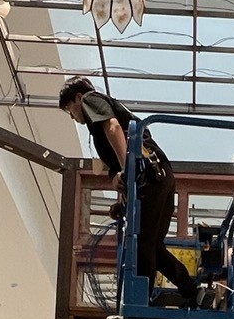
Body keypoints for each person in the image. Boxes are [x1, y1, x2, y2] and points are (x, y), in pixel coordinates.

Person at [59, 78, 198, 304]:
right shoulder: (104, 123)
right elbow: (118, 150)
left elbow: (113, 127)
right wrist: (118, 178)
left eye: (69, 110)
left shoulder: (90, 99)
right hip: (160, 174)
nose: (73, 117)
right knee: (152, 244)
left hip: (148, 174)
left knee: (142, 242)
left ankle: (140, 301)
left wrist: (127, 169)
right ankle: (190, 289)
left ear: (77, 97)